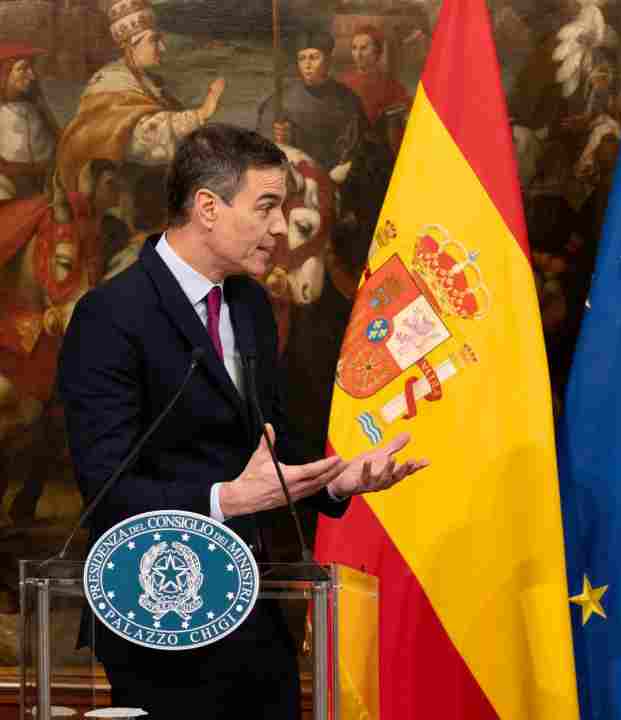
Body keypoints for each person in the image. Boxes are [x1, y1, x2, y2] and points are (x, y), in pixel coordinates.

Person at [56, 124, 428, 719]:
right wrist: (223, 500)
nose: (280, 227)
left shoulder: (250, 304)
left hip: (254, 613)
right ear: (208, 207)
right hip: (159, 613)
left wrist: (335, 479)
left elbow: (271, 442)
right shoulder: (111, 315)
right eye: (266, 206)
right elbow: (107, 487)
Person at [257, 29, 365, 171]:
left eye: (314, 58)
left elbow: (358, 147)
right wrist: (279, 140)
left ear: (328, 61)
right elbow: (263, 145)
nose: (307, 65)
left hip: (338, 175)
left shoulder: (347, 99)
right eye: (302, 58)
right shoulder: (280, 100)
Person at [0, 43, 59, 201]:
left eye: (31, 69)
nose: (31, 76)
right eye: (23, 69)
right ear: (4, 73)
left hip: (47, 184)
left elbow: (58, 144)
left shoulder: (37, 109)